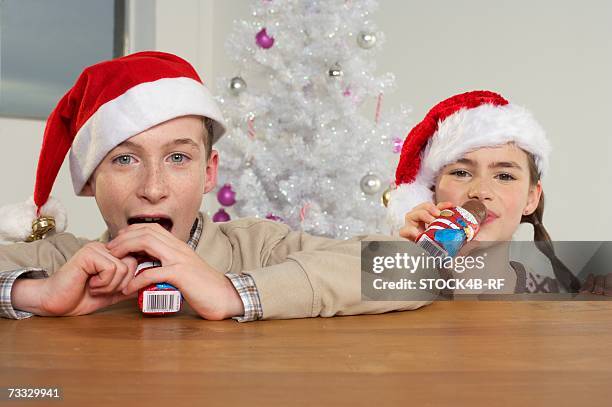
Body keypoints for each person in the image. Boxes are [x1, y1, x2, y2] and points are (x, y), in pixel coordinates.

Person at [0, 51, 430, 320]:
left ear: (209, 173)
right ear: (92, 180)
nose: (153, 188)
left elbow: (419, 270)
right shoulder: (61, 258)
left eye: (178, 158)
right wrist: (37, 293)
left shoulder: (256, 248)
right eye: (125, 159)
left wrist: (233, 292)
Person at [386, 90, 596, 295]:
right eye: (461, 172)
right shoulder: (394, 285)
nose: (481, 192)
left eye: (504, 176)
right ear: (431, 191)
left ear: (531, 198)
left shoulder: (559, 302)